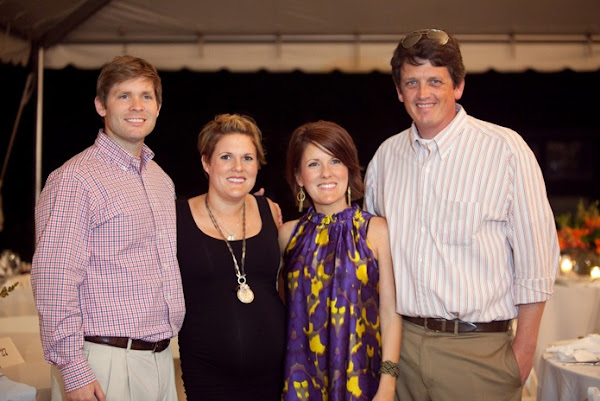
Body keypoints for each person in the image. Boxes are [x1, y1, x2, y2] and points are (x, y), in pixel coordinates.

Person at [364, 29, 560, 400]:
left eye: (435, 81)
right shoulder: (385, 158)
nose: (423, 93)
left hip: (478, 354)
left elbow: (537, 260)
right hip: (402, 352)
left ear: (458, 86)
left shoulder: (505, 150)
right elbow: (369, 252)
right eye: (412, 82)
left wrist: (522, 354)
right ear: (399, 91)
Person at [31, 55, 185, 401]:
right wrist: (73, 368)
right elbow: (54, 277)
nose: (137, 106)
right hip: (103, 362)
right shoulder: (75, 179)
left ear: (158, 107)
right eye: (123, 95)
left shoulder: (160, 180)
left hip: (160, 359)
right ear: (101, 105)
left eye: (146, 96)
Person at [279, 120, 402, 401]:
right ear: (299, 176)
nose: (326, 172)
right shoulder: (287, 235)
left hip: (362, 379)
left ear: (349, 167)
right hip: (301, 382)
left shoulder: (376, 230)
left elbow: (390, 313)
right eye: (313, 164)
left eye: (335, 160)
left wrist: (388, 384)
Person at [176, 113, 285, 400]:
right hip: (207, 376)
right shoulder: (177, 217)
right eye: (226, 157)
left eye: (247, 158)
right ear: (206, 162)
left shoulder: (270, 211)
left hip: (274, 375)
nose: (238, 167)